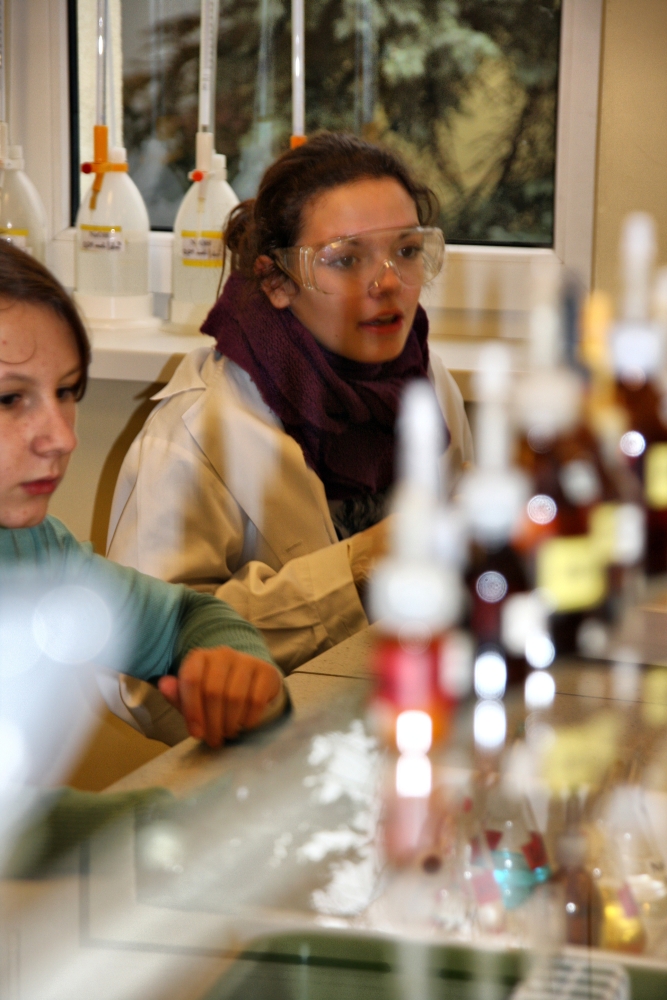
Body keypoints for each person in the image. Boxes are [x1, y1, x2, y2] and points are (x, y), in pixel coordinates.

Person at [107, 133, 473, 673]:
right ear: (277, 281)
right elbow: (140, 663)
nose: (388, 283)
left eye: (407, 251)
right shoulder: (196, 430)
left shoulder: (427, 381)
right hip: (276, 724)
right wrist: (360, 565)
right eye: (345, 259)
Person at [0, 240, 287, 750]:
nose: (62, 438)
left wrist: (237, 672)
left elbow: (185, 617)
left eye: (66, 391)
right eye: (9, 398)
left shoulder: (33, 549)